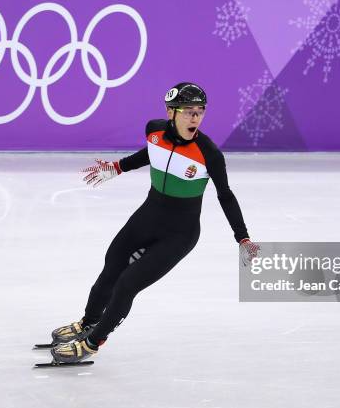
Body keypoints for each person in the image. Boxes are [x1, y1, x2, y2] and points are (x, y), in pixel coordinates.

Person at [50, 82, 260, 363]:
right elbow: (151, 153)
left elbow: (226, 195)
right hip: (148, 216)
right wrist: (117, 167)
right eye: (188, 111)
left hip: (180, 233)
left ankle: (92, 342)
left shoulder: (209, 153)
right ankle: (88, 321)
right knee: (111, 265)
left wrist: (242, 237)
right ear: (171, 112)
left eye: (200, 112)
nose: (195, 118)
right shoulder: (155, 130)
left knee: (127, 284)